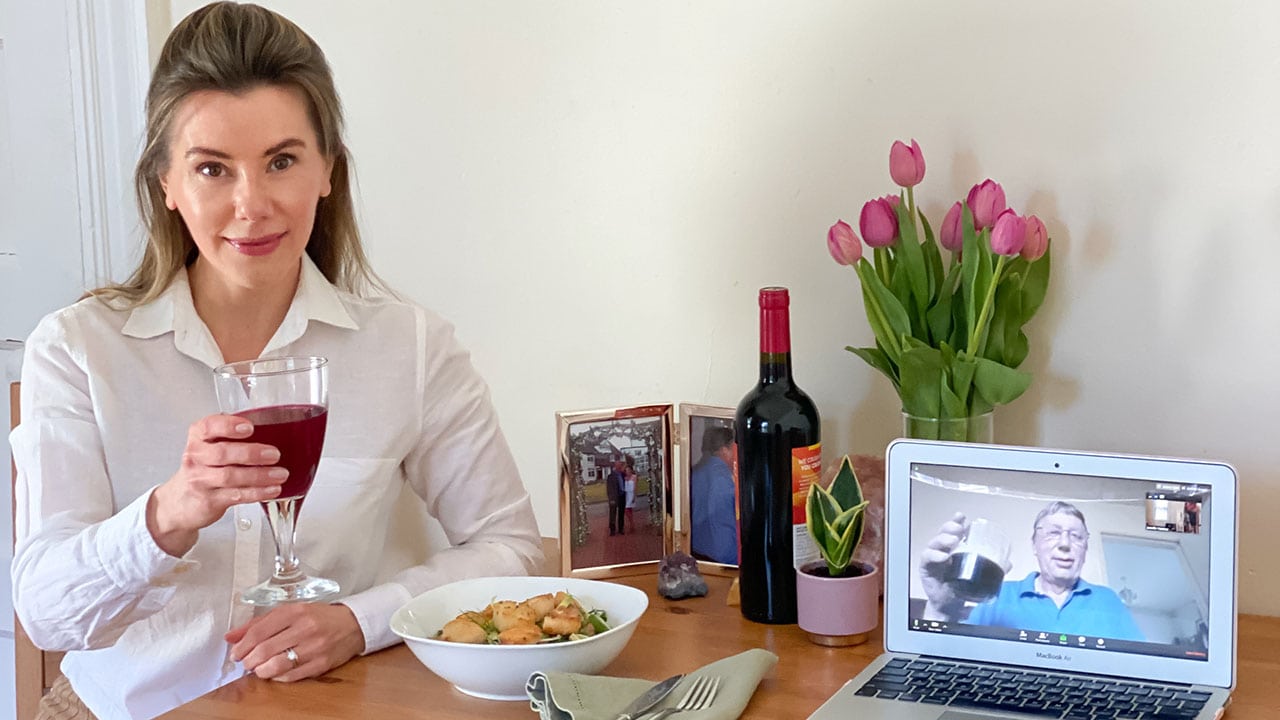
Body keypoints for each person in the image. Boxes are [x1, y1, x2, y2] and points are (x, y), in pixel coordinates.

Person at [9, 4, 542, 719]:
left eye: (282, 161)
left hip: (319, 707)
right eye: (211, 169)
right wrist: (167, 515)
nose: (251, 205)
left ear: (327, 171)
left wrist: (362, 620)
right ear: (167, 184)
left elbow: (510, 548)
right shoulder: (78, 349)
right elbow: (45, 613)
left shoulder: (410, 347)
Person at [919, 501, 1143, 641]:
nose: (1065, 544)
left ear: (1085, 549)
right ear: (1034, 545)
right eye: (1053, 533)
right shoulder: (995, 595)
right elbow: (944, 659)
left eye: (1076, 536)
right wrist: (940, 611)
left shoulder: (1108, 600)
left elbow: (1139, 666)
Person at [690, 426, 737, 564]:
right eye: (735, 449)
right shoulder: (724, 477)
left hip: (698, 550)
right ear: (724, 450)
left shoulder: (695, 472)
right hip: (725, 554)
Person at [624, 458, 637, 530]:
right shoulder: (625, 478)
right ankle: (632, 524)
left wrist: (634, 497)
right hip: (626, 495)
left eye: (629, 470)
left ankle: (632, 523)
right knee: (628, 510)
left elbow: (635, 487)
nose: (627, 471)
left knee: (627, 509)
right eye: (626, 470)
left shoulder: (634, 477)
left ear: (631, 470)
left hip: (631, 495)